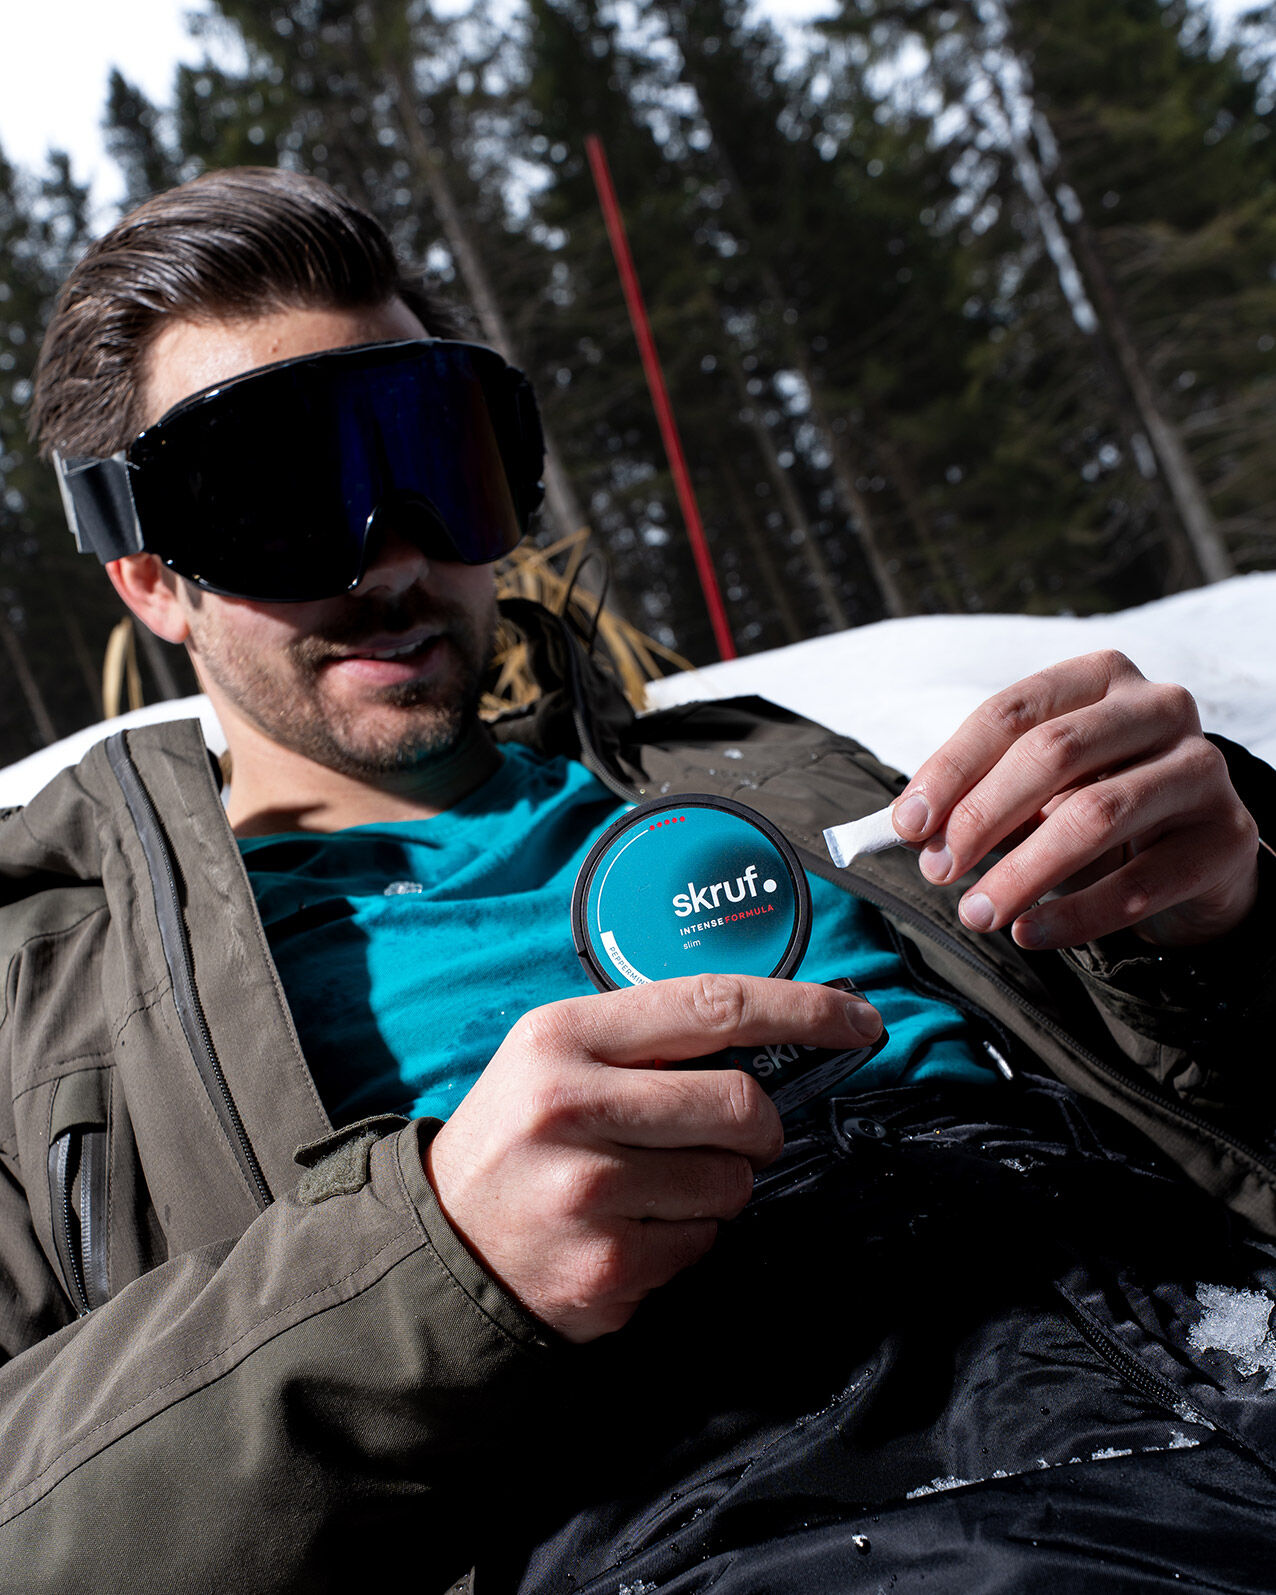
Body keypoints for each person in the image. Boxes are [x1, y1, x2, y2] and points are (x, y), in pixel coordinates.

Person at [3, 164, 1274, 1593]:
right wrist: (428, 1269)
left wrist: (1222, 930)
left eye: (436, 457)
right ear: (149, 577)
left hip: (1194, 1317)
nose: (398, 559)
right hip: (729, 1492)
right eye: (281, 504)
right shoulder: (53, 994)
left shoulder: (775, 772)